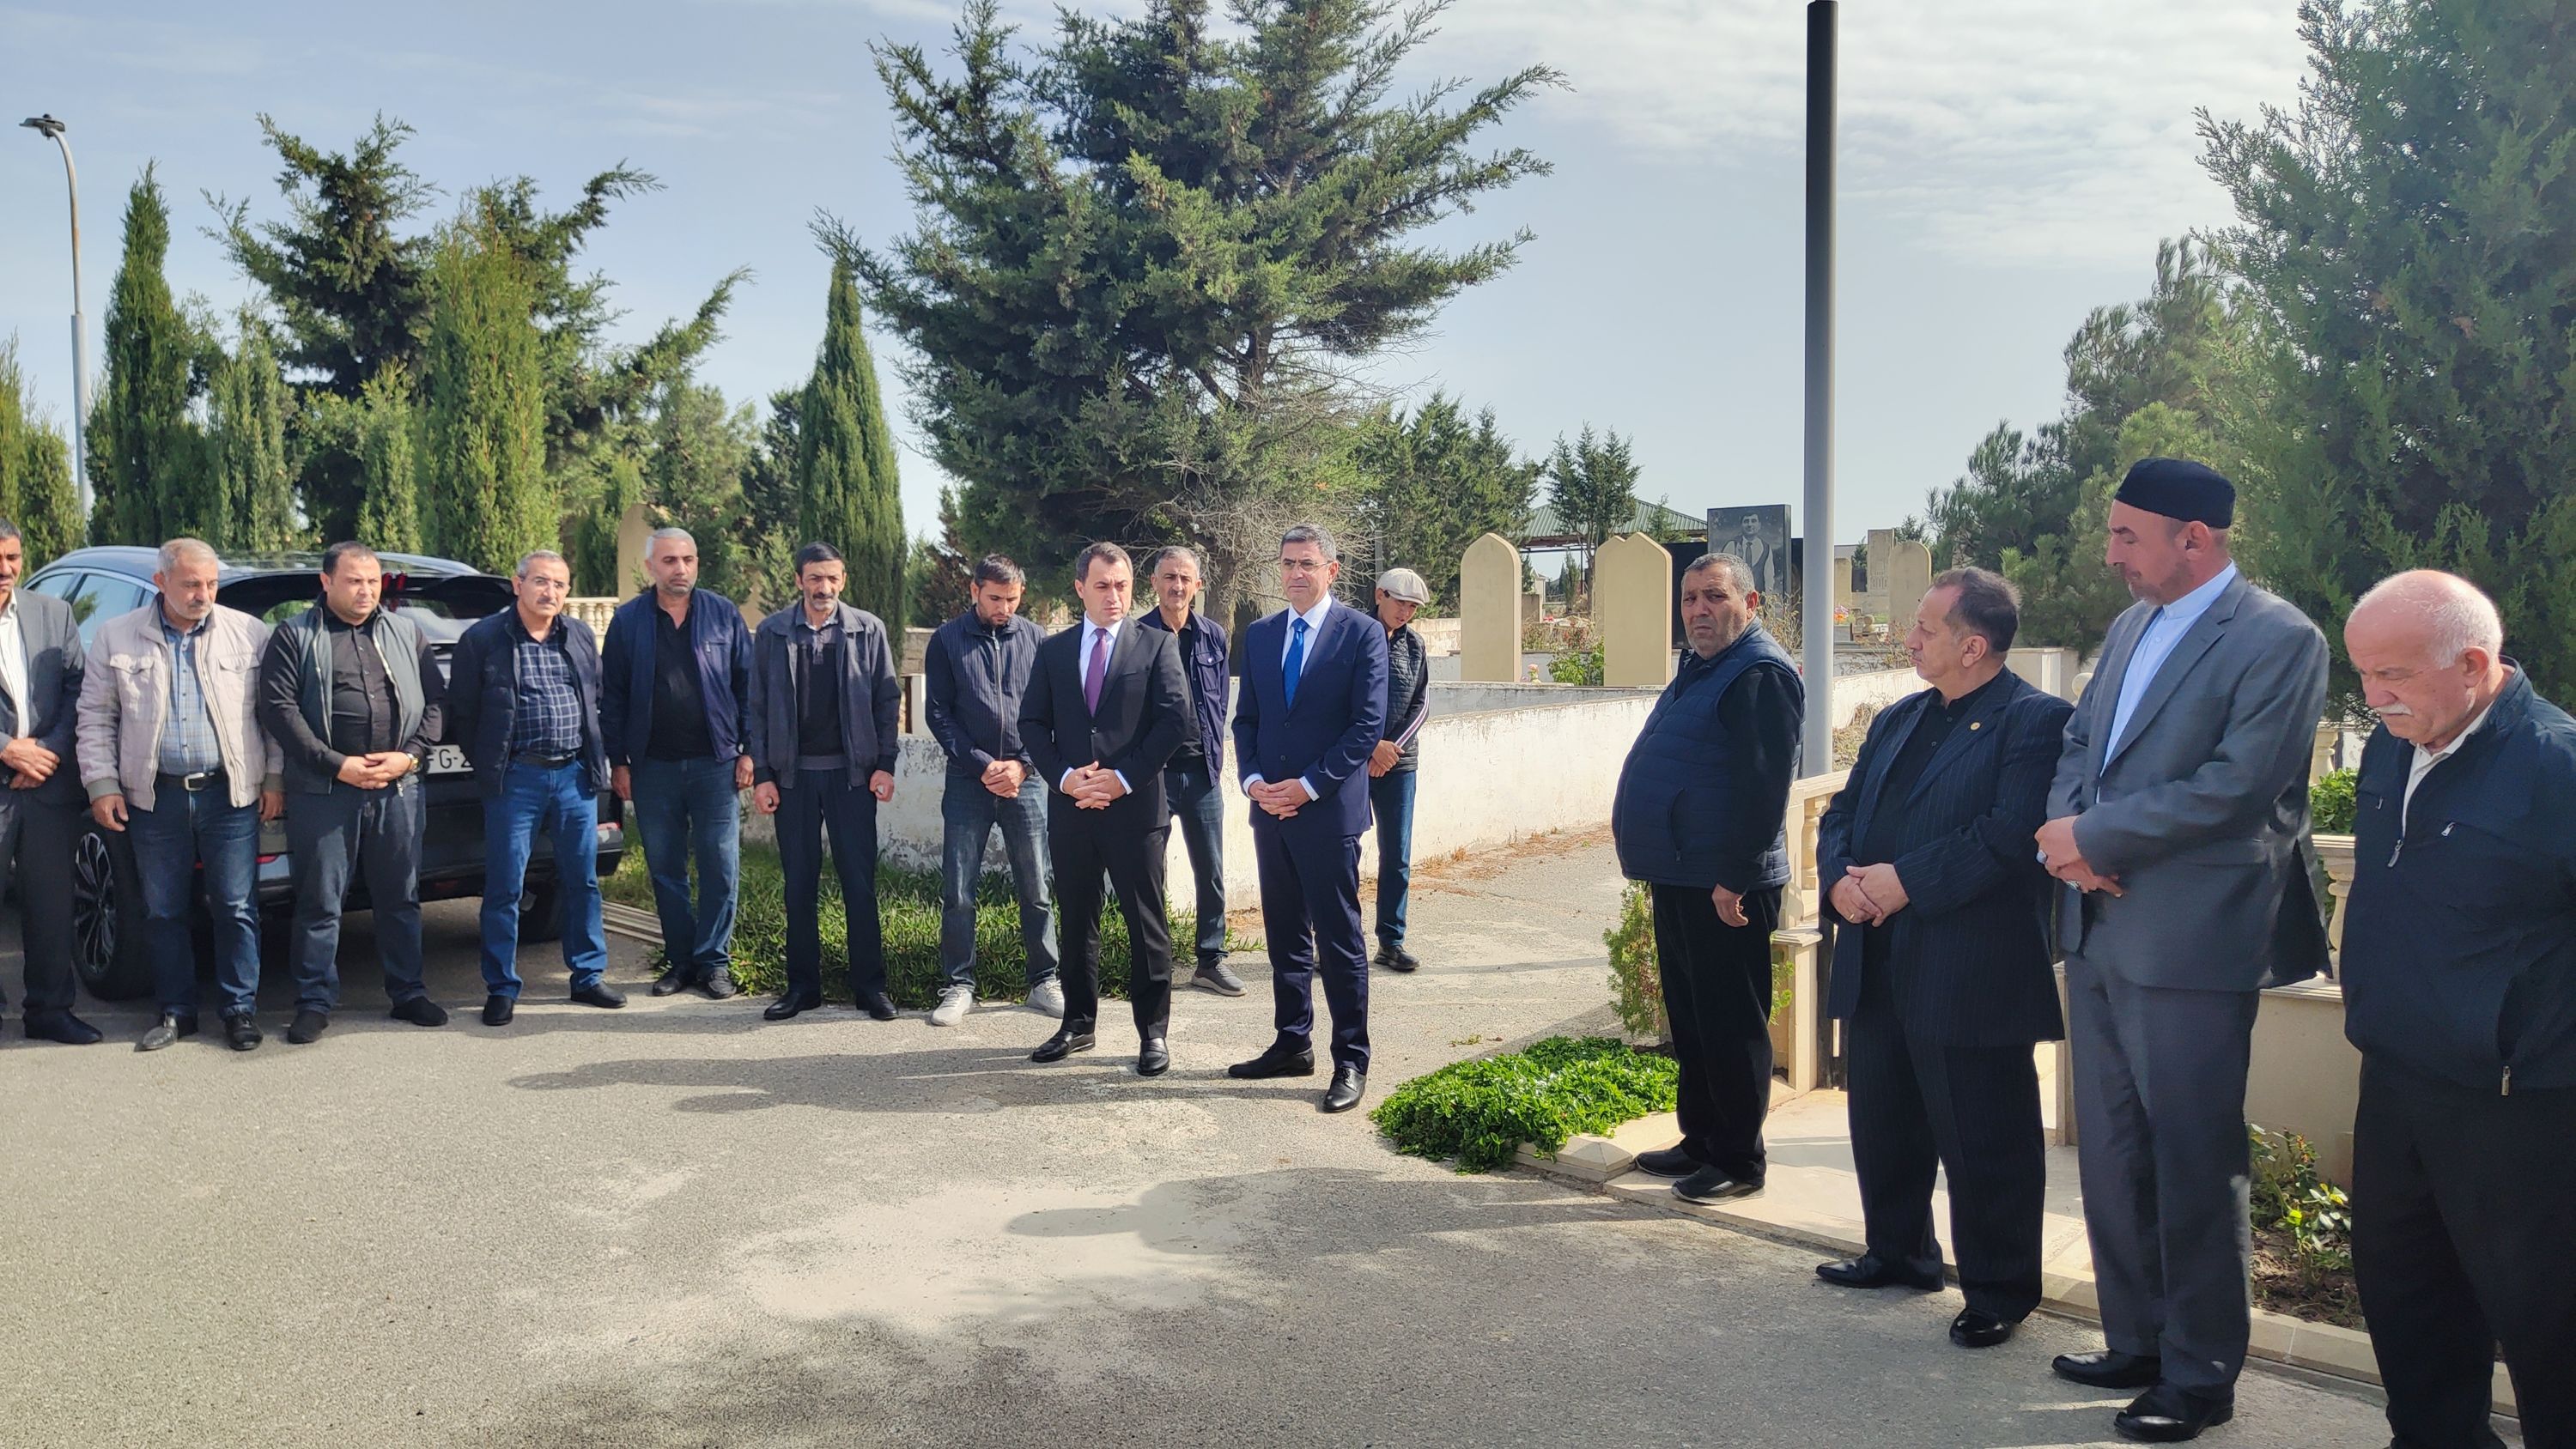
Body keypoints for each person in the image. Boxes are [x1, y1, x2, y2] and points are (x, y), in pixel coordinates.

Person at [2037, 458, 2329, 1444]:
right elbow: (2080, 745)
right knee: (2114, 1150)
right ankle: (2138, 1340)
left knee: (2194, 1159)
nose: (2109, 553)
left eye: (2126, 535)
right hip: (2098, 923)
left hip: (2194, 937)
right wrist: (2069, 837)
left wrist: (2097, 837)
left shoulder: (2280, 638)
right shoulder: (2130, 626)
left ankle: (2201, 1374)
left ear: (2193, 539)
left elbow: (2240, 785)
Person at [2338, 570, 2574, 1449]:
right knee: (2408, 1305)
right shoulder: (2391, 747)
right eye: (2364, 674)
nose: (2374, 697)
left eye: (2393, 674)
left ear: (2474, 664)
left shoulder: (2557, 767)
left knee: (2549, 1328)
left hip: (2519, 1105)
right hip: (2396, 1081)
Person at [1813, 568, 2070, 1350]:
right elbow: (1844, 811)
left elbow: (2008, 834)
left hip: (1969, 967)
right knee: (1883, 1118)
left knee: (1985, 1137)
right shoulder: (1900, 717)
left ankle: (1998, 1290)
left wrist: (1903, 883)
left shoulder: (2034, 722)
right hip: (1876, 951)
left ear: (1974, 646)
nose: (1910, 638)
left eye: (1925, 627)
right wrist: (1840, 881)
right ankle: (1899, 1253)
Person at [1610, 553, 1802, 1203]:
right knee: (1692, 1019)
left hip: (1726, 885)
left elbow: (1764, 787)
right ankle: (1701, 1139)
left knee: (1731, 1023)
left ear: (1749, 605)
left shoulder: (1760, 673)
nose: (1698, 610)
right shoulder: (1703, 667)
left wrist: (1735, 877)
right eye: (1690, 598)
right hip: (1684, 874)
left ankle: (1740, 1159)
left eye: (1714, 597)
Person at [76, 539, 284, 1051]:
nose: (203, 594)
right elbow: (96, 717)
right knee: (163, 910)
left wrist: (274, 779)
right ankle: (176, 1011)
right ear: (161, 582)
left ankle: (239, 1010)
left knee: (236, 906)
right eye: (191, 584)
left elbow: (273, 716)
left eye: (211, 584)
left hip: (229, 795)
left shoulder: (248, 633)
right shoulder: (116, 636)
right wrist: (102, 784)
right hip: (155, 799)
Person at [258, 541, 447, 1046]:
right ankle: (314, 1002)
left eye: (373, 581)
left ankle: (408, 993)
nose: (366, 591)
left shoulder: (407, 632)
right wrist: (335, 764)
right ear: (326, 582)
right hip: (324, 789)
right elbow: (279, 710)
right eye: (354, 581)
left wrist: (410, 756)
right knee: (320, 901)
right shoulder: (295, 635)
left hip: (398, 787)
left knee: (400, 897)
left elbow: (436, 703)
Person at [1227, 524, 1388, 1113]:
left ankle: (1351, 1059)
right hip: (1270, 812)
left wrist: (1309, 786)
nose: (1296, 573)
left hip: (1328, 815)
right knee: (1285, 936)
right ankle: (1293, 1042)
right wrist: (1253, 783)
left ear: (1331, 570)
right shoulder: (1262, 635)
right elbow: (1247, 720)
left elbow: (1366, 726)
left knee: (1339, 940)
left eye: (1307, 564)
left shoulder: (1362, 634)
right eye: (1288, 563)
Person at [1018, 542, 1192, 1074]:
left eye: (1122, 586)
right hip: (1073, 809)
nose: (1114, 595)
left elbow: (1175, 722)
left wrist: (1121, 779)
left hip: (1135, 810)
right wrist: (1066, 778)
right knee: (1076, 921)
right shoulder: (1053, 651)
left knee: (1146, 924)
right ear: (1080, 589)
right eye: (1102, 586)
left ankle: (1153, 1034)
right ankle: (1077, 1023)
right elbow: (1031, 723)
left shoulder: (1157, 645)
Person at [447, 549, 617, 1026]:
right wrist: (490, 763)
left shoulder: (578, 634)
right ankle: (501, 987)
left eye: (560, 585)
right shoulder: (484, 639)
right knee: (505, 885)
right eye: (541, 581)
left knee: (582, 881)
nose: (551, 592)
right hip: (516, 779)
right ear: (517, 583)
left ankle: (587, 976)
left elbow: (596, 696)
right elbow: (464, 712)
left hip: (574, 776)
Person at [746, 543, 901, 1022]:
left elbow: (886, 701)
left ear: (843, 580)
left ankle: (870, 988)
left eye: (832, 578)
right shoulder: (773, 632)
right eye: (815, 578)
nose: (824, 587)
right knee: (799, 885)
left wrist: (885, 764)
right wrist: (764, 775)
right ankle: (802, 988)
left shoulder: (867, 630)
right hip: (792, 779)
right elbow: (756, 708)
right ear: (799, 580)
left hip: (852, 778)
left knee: (859, 883)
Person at [602, 528, 753, 1002]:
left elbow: (748, 688)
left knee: (720, 865)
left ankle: (714, 962)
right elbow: (613, 697)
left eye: (688, 559)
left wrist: (750, 750)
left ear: (697, 563)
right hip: (653, 768)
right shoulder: (628, 621)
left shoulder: (723, 614)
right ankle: (681, 961)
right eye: (669, 560)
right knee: (666, 869)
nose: (680, 568)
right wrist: (619, 761)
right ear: (651, 567)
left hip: (715, 763)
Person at [921, 554, 1065, 1025]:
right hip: (968, 781)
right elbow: (938, 713)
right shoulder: (946, 640)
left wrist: (1022, 765)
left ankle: (1044, 980)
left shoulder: (1037, 639)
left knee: (1037, 886)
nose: (1004, 608)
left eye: (1012, 599)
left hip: (1028, 783)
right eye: (995, 598)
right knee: (959, 889)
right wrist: (982, 765)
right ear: (974, 591)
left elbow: (1050, 713)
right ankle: (958, 985)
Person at [0, 523, 97, 1046]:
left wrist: (47, 751)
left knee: (51, 905)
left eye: (13, 557)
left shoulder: (52, 613)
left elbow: (80, 688)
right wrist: (5, 747)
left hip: (46, 783)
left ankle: (50, 1010)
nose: (5, 569)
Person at [1136, 545, 1243, 997]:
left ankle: (1210, 960)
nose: (1177, 586)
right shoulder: (1136, 636)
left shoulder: (1214, 636)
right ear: (1154, 583)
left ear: (1197, 585)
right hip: (1153, 775)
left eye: (1185, 578)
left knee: (1211, 870)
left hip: (1202, 774)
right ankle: (1153, 963)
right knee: (1149, 872)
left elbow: (1218, 701)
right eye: (1169, 577)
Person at [1365, 567, 1431, 974]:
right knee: (1340, 853)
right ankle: (1333, 942)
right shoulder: (1353, 635)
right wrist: (1370, 746)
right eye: (1400, 602)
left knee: (1397, 855)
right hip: (1353, 761)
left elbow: (1422, 704)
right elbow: (1339, 699)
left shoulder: (1415, 645)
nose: (1405, 612)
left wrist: (1391, 749)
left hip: (1400, 763)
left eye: (1413, 607)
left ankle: (1391, 941)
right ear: (1380, 595)